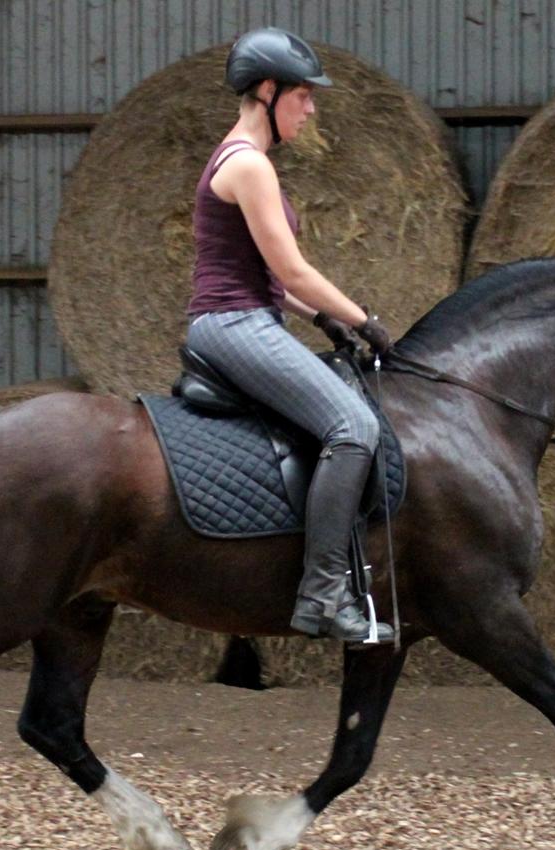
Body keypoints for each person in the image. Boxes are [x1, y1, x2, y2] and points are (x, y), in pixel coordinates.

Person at [185, 26, 395, 644]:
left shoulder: (245, 161)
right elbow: (290, 268)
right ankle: (326, 593)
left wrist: (318, 316)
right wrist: (363, 319)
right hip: (233, 324)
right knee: (354, 427)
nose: (312, 107)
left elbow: (274, 278)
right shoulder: (248, 164)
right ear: (269, 91)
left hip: (248, 316)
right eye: (303, 95)